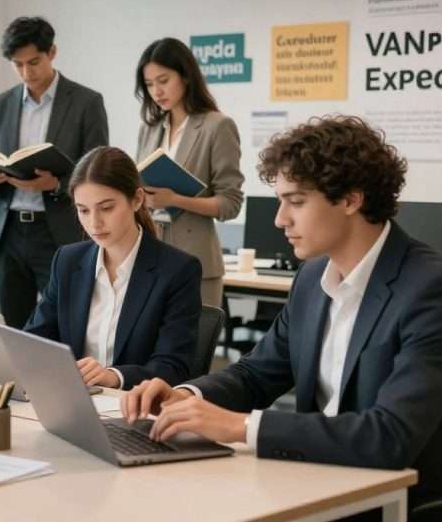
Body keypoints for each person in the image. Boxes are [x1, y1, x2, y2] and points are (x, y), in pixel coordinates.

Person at [122, 116, 442, 518]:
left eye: (296, 201)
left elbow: (390, 435)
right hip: (313, 478)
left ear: (350, 199)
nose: (279, 219)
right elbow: (256, 373)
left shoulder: (427, 288)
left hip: (390, 499)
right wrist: (188, 397)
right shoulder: (311, 279)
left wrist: (240, 427)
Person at [24, 146, 201, 389]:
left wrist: (114, 376)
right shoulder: (67, 261)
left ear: (137, 200)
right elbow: (35, 339)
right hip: (72, 400)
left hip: (135, 407)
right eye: (83, 210)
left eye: (106, 208)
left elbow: (172, 366)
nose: (94, 223)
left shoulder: (178, 270)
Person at [0, 16, 109, 328]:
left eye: (34, 62)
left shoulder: (86, 102)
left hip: (59, 231)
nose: (27, 72)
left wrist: (56, 184)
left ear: (52, 52)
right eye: (18, 64)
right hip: (8, 233)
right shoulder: (1, 104)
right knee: (14, 327)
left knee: (66, 324)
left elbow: (100, 172)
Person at [135, 37, 244, 307]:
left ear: (185, 76)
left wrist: (174, 200)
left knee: (193, 346)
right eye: (149, 85)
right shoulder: (149, 129)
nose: (156, 91)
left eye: (163, 80)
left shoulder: (217, 126)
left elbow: (230, 204)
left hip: (196, 260)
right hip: (149, 257)